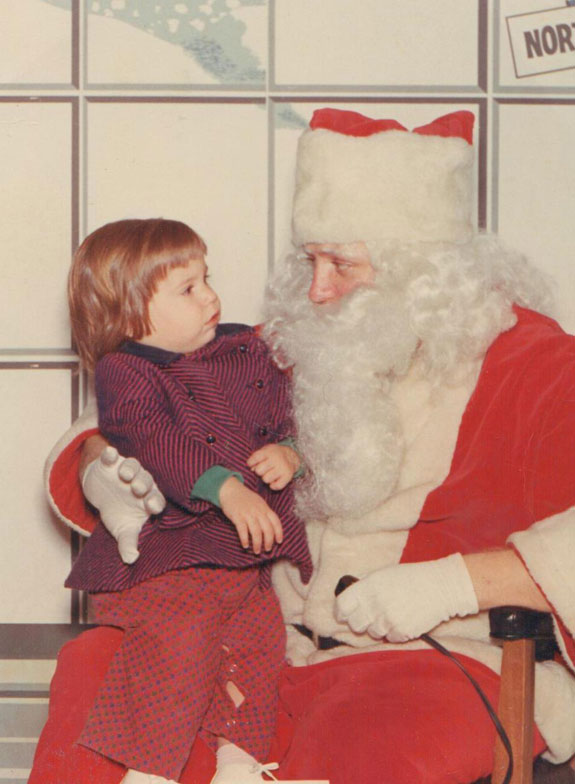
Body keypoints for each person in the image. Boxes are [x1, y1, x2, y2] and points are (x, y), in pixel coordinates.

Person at [34, 109, 575, 784]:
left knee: (376, 749)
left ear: (427, 270)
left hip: (435, 660)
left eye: (341, 264)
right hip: (255, 640)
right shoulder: (296, 340)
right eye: (309, 261)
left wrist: (454, 582)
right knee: (94, 687)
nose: (316, 292)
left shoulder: (541, 368)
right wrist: (98, 468)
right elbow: (147, 403)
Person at [59, 217, 314, 784]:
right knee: (179, 645)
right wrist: (224, 488)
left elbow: (290, 412)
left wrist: (290, 450)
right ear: (131, 314)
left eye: (208, 279)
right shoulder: (126, 371)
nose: (212, 297)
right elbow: (152, 437)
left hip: (241, 568)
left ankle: (241, 764)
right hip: (166, 564)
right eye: (188, 289)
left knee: (259, 641)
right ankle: (148, 771)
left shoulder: (245, 350)